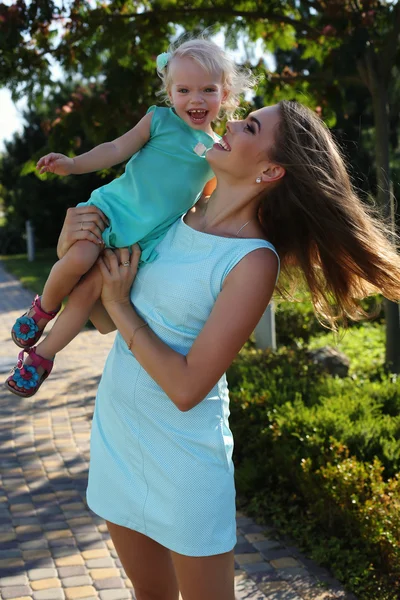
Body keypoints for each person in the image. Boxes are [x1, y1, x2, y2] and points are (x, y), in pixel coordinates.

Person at [8, 101, 400, 600]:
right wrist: (73, 245)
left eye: (251, 126)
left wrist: (119, 304)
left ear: (271, 169)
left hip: (184, 461)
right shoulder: (175, 217)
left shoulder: (253, 261)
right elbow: (105, 319)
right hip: (118, 439)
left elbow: (188, 386)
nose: (231, 121)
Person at [6, 37, 254, 397]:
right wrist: (74, 165)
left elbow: (208, 203)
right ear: (170, 94)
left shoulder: (217, 153)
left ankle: (42, 356)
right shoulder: (159, 121)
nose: (195, 99)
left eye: (207, 90)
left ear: (225, 93)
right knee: (80, 256)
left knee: (90, 291)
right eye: (184, 90)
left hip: (143, 238)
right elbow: (115, 149)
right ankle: (41, 310)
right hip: (112, 211)